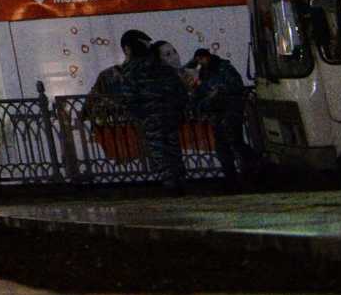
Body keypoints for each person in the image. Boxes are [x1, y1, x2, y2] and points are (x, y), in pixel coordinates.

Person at [96, 28, 192, 194]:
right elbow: (180, 92)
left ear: (128, 49)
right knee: (173, 149)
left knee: (159, 152)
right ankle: (181, 182)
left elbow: (128, 98)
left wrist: (139, 115)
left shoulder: (130, 71)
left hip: (149, 118)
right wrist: (177, 111)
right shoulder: (161, 66)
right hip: (170, 115)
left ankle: (171, 186)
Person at [189, 48, 255, 189]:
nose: (199, 63)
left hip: (229, 111)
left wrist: (216, 92)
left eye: (200, 60)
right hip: (217, 113)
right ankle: (232, 177)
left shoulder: (223, 68)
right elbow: (200, 92)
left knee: (235, 142)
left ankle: (249, 172)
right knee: (224, 146)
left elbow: (234, 87)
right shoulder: (204, 73)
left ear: (205, 57)